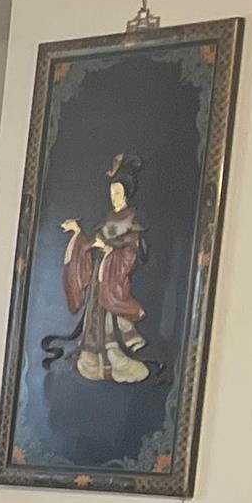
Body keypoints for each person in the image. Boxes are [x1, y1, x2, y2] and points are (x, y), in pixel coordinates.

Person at [58, 153, 152, 384]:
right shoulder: (108, 217)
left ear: (127, 194)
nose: (114, 198)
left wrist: (111, 251)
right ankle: (92, 359)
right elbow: (93, 243)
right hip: (101, 274)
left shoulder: (130, 218)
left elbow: (131, 251)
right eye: (112, 193)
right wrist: (78, 233)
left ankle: (117, 358)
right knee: (94, 318)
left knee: (111, 321)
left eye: (118, 193)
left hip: (112, 275)